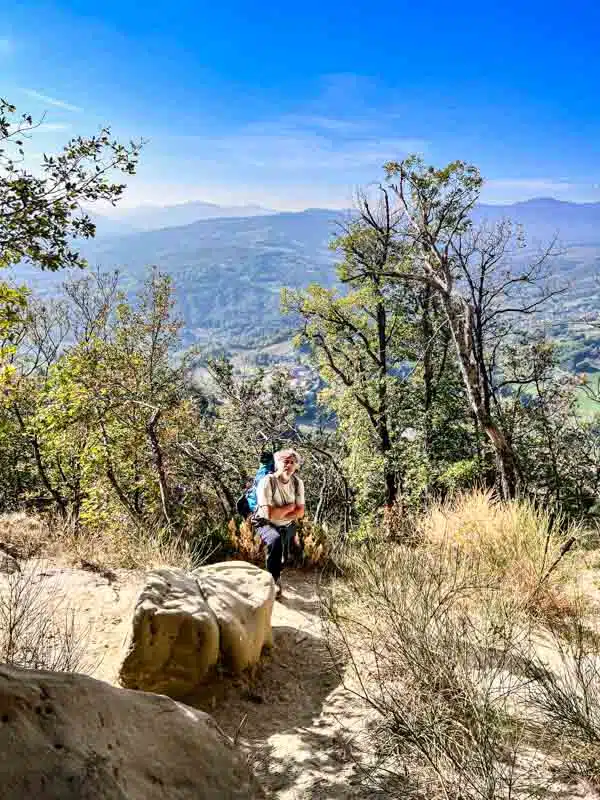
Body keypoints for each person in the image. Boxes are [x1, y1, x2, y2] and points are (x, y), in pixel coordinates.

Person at [254, 448, 304, 597]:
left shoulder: (297, 483)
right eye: (285, 462)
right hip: (264, 522)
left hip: (286, 524)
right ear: (277, 464)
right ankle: (274, 582)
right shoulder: (267, 482)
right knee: (275, 541)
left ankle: (275, 572)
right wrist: (290, 508)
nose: (288, 465)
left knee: (284, 555)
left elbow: (301, 512)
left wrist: (280, 512)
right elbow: (269, 514)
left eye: (292, 463)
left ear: (296, 466)